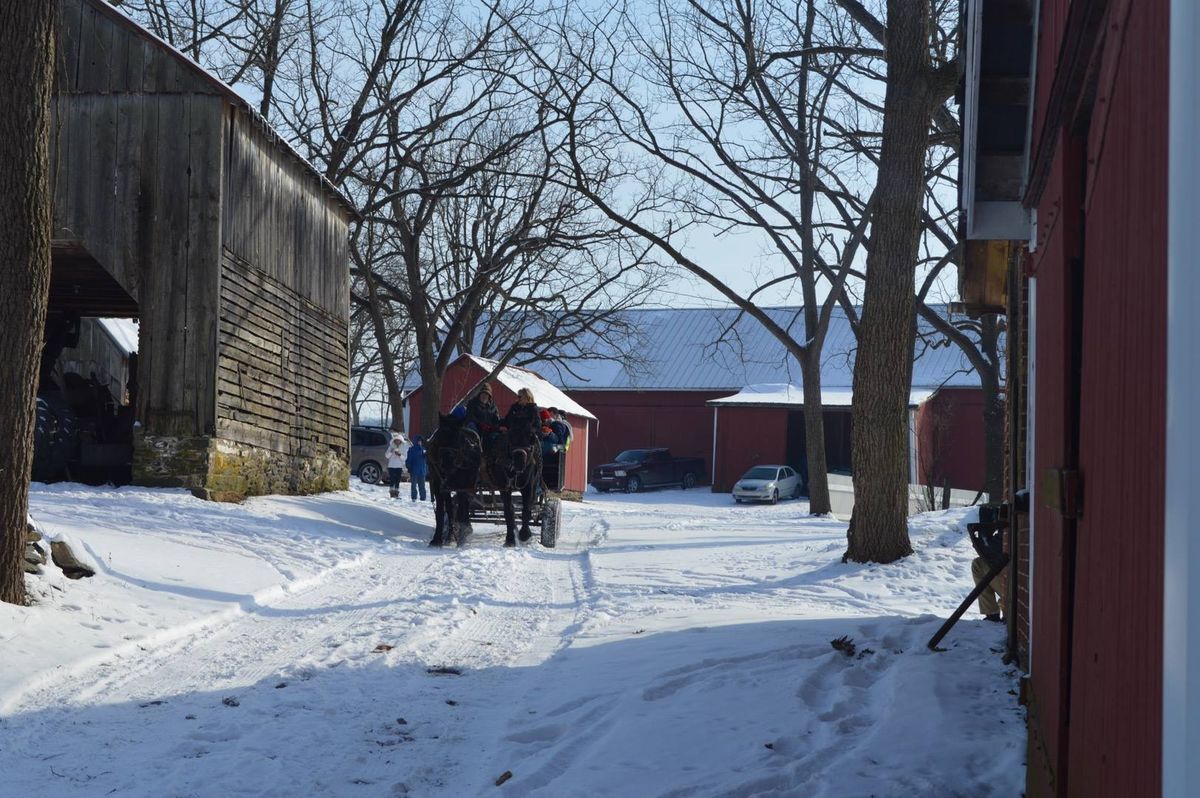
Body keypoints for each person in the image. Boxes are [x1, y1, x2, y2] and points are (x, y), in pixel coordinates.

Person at [405, 435, 428, 501]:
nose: (420, 442)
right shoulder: (411, 450)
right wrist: (409, 467)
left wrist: (425, 456)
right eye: (419, 441)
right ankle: (414, 497)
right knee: (413, 485)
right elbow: (409, 459)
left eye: (420, 441)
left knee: (422, 486)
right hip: (414, 470)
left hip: (422, 471)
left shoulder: (423, 449)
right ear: (415, 441)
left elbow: (426, 460)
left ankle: (423, 498)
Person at [385, 432, 407, 499]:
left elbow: (405, 458)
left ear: (401, 441)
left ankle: (396, 492)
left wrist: (400, 455)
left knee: (397, 479)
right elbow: (386, 456)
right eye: (396, 440)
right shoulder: (391, 447)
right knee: (392, 479)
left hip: (399, 466)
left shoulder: (403, 448)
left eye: (399, 441)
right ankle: (391, 492)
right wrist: (391, 452)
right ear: (394, 441)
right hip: (391, 466)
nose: (397, 442)